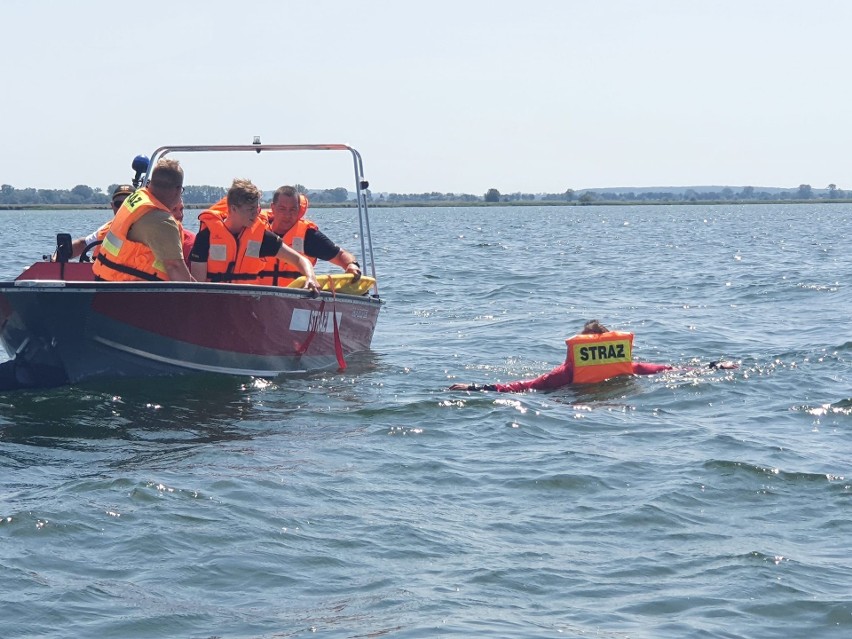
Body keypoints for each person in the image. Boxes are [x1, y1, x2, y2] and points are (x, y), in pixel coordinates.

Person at [449, 320, 737, 392]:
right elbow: (671, 370)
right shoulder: (630, 368)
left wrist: (476, 387)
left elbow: (523, 387)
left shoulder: (564, 375)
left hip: (571, 399)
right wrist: (714, 367)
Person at [189, 178, 320, 292]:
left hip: (247, 306)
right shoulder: (205, 237)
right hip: (214, 306)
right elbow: (198, 287)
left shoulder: (261, 237)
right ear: (233, 209)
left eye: (257, 209)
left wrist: (310, 277)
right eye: (250, 210)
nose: (256, 214)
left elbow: (300, 260)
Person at [92, 159, 193, 281]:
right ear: (178, 190)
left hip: (107, 282)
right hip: (130, 291)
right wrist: (198, 298)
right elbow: (175, 267)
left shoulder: (137, 198)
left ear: (150, 183)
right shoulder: (161, 221)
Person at [262, 185, 362, 286]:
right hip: (254, 295)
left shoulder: (309, 236)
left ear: (299, 210)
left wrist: (351, 265)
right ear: (273, 207)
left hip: (295, 297)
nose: (288, 215)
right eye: (282, 209)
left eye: (293, 209)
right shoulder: (258, 232)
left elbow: (340, 255)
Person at [57, 184, 134, 261]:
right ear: (112, 205)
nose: (123, 208)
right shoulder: (104, 231)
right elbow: (83, 244)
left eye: (128, 203)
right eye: (119, 204)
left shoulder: (145, 229)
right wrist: (58, 255)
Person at [170, 199, 196, 266]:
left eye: (181, 209)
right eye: (174, 209)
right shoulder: (144, 238)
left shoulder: (191, 242)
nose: (180, 215)